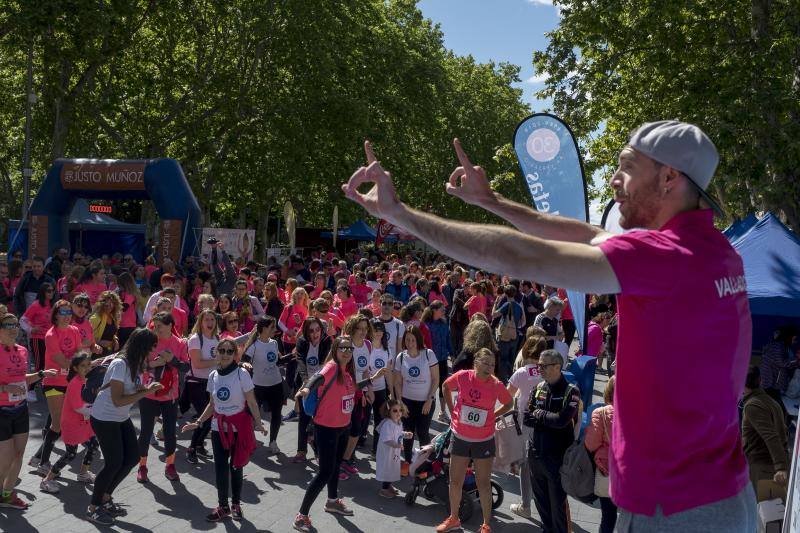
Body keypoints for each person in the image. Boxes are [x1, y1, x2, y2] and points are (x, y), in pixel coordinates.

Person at [344, 125, 758, 529]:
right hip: (713, 496)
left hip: (676, 508)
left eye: (627, 166)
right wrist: (493, 201)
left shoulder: (664, 257)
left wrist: (400, 214)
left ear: (669, 177)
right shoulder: (715, 251)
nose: (614, 179)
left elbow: (515, 254)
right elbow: (589, 236)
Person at [292, 336, 386, 532]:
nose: (346, 352)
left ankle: (332, 501)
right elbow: (318, 378)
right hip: (326, 428)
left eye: (349, 349)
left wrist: (371, 379)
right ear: (335, 349)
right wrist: (307, 388)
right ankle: (301, 515)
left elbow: (352, 388)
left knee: (335, 466)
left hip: (342, 427)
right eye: (342, 348)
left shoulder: (347, 372)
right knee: (325, 472)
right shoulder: (332, 367)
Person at [181, 338, 267, 522]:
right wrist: (198, 422)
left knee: (236, 467)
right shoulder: (213, 375)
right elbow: (212, 404)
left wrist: (258, 423)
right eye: (222, 350)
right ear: (217, 353)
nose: (226, 354)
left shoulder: (241, 374)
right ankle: (223, 506)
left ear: (235, 354)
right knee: (220, 469)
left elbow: (251, 401)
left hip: (238, 429)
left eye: (230, 351)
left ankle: (236, 503)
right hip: (218, 428)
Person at [87, 328, 164, 525]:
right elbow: (118, 400)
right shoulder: (120, 364)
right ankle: (94, 507)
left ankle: (105, 497)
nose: (152, 352)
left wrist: (148, 388)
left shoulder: (137, 364)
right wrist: (144, 393)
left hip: (120, 418)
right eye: (151, 347)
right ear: (141, 347)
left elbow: (134, 390)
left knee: (131, 458)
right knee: (113, 462)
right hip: (104, 418)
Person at [437, 348, 513, 533]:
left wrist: (493, 415)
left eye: (492, 364)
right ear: (476, 362)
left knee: (483, 483)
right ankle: (454, 518)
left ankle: (486, 525)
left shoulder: (496, 385)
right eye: (485, 363)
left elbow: (509, 403)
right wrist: (452, 408)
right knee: (455, 481)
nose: (489, 367)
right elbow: (446, 386)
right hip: (460, 436)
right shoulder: (463, 376)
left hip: (483, 439)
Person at [0, 313, 56, 510]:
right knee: (5, 457)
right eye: (7, 325)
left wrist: (41, 374)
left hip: (21, 409)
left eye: (15, 324)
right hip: (2, 411)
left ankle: (6, 495)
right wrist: (5, 389)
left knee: (18, 454)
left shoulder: (22, 350)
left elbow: (22, 378)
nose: (13, 328)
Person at [523, 349, 581, 533]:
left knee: (558, 508)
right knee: (541, 503)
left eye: (544, 365)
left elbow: (562, 421)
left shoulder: (571, 391)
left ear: (557, 366)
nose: (539, 368)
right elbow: (526, 418)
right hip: (536, 455)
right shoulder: (538, 388)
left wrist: (540, 415)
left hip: (557, 460)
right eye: (539, 365)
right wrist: (549, 418)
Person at [30, 300, 82, 473]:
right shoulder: (51, 335)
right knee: (58, 425)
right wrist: (80, 365)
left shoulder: (74, 330)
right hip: (53, 384)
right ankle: (43, 464)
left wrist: (81, 363)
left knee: (55, 423)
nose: (67, 316)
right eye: (63, 313)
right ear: (56, 314)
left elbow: (79, 355)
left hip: (70, 383)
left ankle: (37, 457)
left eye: (69, 313)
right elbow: (62, 361)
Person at [137, 312, 188, 482]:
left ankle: (170, 465)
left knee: (169, 432)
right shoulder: (148, 341)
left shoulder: (179, 343)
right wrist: (153, 364)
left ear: (169, 326)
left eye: (159, 326)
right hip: (148, 393)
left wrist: (172, 360)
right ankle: (142, 466)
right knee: (145, 431)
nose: (155, 328)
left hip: (170, 395)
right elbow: (137, 365)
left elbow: (185, 368)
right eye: (154, 325)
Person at [39, 352, 99, 493]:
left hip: (85, 422)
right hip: (72, 423)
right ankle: (47, 479)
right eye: (83, 366)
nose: (87, 368)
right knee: (71, 454)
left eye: (89, 364)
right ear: (76, 368)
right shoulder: (74, 383)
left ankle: (83, 473)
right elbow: (78, 407)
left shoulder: (90, 380)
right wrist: (97, 412)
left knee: (93, 445)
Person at [506, 334, 546, 519]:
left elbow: (506, 398)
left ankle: (525, 506)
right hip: (546, 422)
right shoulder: (549, 371)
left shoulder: (522, 373)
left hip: (526, 422)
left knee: (526, 465)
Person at [241, 316, 292, 454]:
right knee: (250, 414)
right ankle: (248, 439)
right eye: (272, 327)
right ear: (263, 328)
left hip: (276, 384)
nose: (275, 330)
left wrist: (291, 356)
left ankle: (273, 442)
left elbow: (277, 362)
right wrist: (245, 364)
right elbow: (243, 360)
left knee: (277, 414)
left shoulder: (274, 343)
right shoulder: (254, 346)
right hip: (258, 387)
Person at [393, 325, 439, 472]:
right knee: (407, 432)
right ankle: (407, 461)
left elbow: (436, 379)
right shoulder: (401, 357)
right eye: (407, 340)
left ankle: (425, 464)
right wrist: (400, 402)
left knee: (423, 432)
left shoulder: (428, 354)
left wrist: (429, 399)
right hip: (407, 402)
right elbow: (398, 382)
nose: (410, 343)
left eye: (413, 340)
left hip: (425, 401)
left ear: (418, 340)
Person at [741, 366, 789, 496]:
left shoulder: (752, 405)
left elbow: (771, 436)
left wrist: (781, 467)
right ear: (760, 381)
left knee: (770, 513)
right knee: (772, 512)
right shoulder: (772, 402)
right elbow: (783, 432)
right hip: (770, 467)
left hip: (763, 468)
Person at [292, 317, 331, 463]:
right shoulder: (302, 341)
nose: (315, 334)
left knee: (319, 419)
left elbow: (325, 363)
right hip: (305, 382)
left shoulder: (327, 341)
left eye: (317, 330)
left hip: (320, 382)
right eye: (311, 331)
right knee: (304, 417)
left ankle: (318, 451)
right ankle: (301, 451)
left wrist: (314, 381)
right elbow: (300, 360)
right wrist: (305, 380)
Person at [339, 315, 374, 478]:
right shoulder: (346, 343)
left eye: (365, 329)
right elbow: (339, 369)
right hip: (344, 393)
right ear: (352, 328)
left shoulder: (367, 344)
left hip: (360, 392)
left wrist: (370, 389)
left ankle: (345, 460)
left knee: (357, 428)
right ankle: (337, 463)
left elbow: (366, 369)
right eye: (359, 328)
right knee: (342, 429)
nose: (363, 332)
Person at [185, 309, 221, 463]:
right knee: (204, 417)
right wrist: (218, 361)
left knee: (211, 417)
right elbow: (198, 364)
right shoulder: (195, 339)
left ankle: (199, 445)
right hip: (195, 384)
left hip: (212, 383)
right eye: (206, 320)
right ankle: (191, 448)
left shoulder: (217, 338)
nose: (210, 323)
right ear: (200, 322)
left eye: (212, 320)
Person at [585, 376, 617, 533]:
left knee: (608, 516)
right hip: (634, 474)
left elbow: (591, 444)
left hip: (607, 470)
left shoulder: (601, 413)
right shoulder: (641, 413)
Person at [20, 282, 54, 400]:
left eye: (52, 290)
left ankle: (44, 387)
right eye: (48, 291)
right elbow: (23, 320)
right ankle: (30, 389)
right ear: (43, 292)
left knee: (47, 363)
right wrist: (31, 329)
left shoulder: (51, 305)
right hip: (37, 339)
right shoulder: (36, 305)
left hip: (49, 339)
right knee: (39, 363)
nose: (51, 293)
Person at [421, 301, 452, 421]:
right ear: (434, 310)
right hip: (429, 360)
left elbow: (448, 339)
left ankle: (442, 412)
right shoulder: (425, 324)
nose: (444, 312)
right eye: (442, 309)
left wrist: (452, 353)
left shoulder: (444, 323)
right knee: (429, 386)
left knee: (443, 385)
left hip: (443, 358)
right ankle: (424, 408)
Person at [375, 399, 410, 498]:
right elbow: (386, 439)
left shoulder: (398, 422)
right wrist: (396, 445)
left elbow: (398, 434)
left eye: (400, 410)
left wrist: (405, 434)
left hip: (394, 451)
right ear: (388, 412)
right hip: (387, 452)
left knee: (392, 468)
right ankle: (384, 489)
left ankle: (389, 485)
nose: (398, 413)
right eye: (395, 411)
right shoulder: (387, 424)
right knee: (387, 468)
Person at [367, 318, 392, 456]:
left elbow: (388, 373)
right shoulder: (366, 347)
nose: (378, 333)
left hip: (381, 390)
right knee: (362, 421)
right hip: (366, 389)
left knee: (380, 421)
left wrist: (392, 392)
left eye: (380, 331)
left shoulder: (386, 351)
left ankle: (375, 451)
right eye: (375, 331)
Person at [492, 285, 526, 382]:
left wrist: (496, 303)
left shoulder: (507, 304)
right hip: (514, 335)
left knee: (503, 358)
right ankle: (511, 378)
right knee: (511, 359)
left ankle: (502, 380)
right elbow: (523, 322)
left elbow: (494, 315)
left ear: (505, 294)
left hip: (504, 336)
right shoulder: (519, 306)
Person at [89, 291, 122, 357]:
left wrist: (115, 340)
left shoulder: (113, 317)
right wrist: (98, 342)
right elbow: (88, 337)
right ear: (102, 304)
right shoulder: (95, 318)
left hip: (110, 352)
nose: (109, 306)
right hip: (97, 354)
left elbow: (112, 333)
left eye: (111, 303)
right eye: (106, 304)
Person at [116, 272, 140, 348]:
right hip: (120, 325)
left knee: (125, 347)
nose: (119, 287)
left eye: (120, 285)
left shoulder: (130, 294)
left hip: (128, 326)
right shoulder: (121, 293)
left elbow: (124, 307)